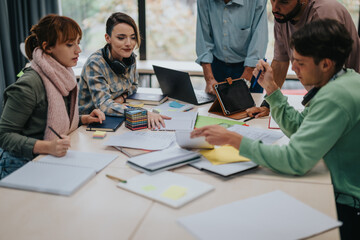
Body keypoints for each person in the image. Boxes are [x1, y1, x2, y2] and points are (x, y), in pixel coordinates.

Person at [191, 19, 360, 239]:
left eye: (300, 62)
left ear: (326, 64)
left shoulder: (335, 97)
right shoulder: (346, 79)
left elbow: (295, 160)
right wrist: (271, 88)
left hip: (346, 205)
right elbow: (300, 129)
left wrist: (234, 139)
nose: (294, 68)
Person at [0, 14, 105, 179]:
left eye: (78, 43)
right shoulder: (29, 84)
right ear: (47, 47)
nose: (78, 50)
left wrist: (83, 118)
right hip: (20, 165)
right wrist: (47, 147)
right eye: (70, 44)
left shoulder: (63, 74)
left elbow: (52, 117)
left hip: (48, 159)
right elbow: (4, 136)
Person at [247, 0, 360, 117]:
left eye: (284, 2)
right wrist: (267, 105)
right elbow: (281, 61)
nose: (274, 8)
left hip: (344, 100)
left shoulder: (323, 13)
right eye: (272, 0)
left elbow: (329, 74)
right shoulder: (282, 16)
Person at [78, 12, 169, 129]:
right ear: (108, 38)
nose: (129, 44)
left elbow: (133, 86)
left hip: (114, 115)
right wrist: (143, 113)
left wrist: (120, 99)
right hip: (90, 124)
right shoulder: (95, 63)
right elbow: (104, 105)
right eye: (121, 38)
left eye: (133, 37)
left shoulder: (130, 58)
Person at [196, 0, 268, 94]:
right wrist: (209, 79)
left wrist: (245, 81)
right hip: (217, 64)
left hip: (251, 66)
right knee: (215, 107)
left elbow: (259, 40)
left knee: (252, 106)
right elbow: (203, 39)